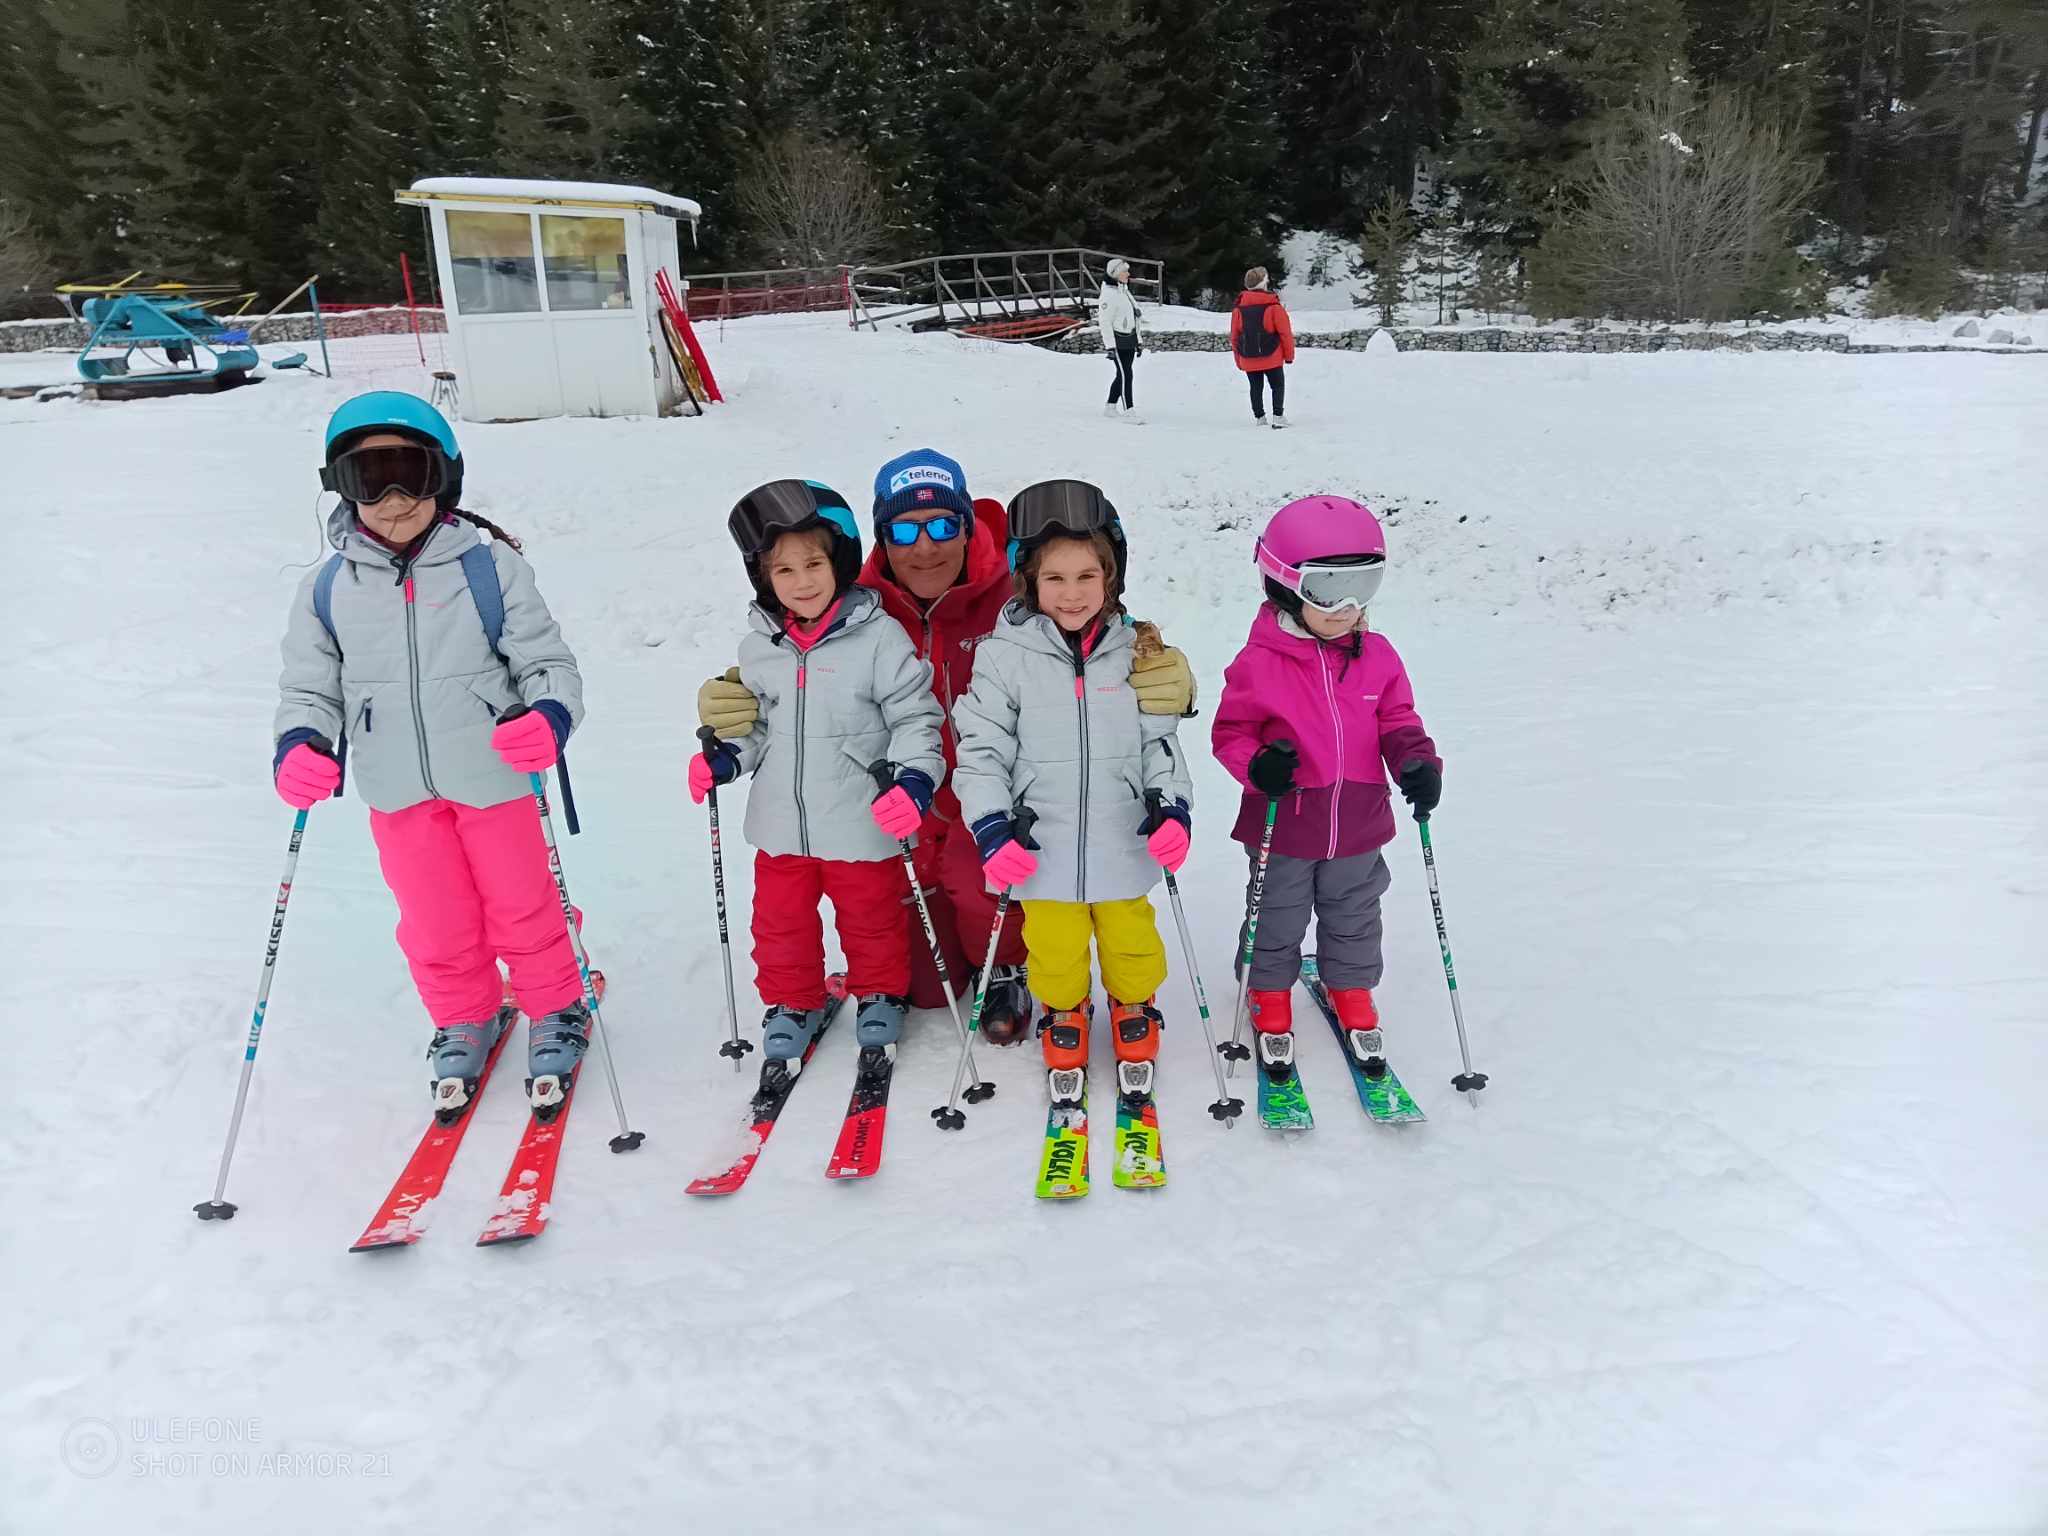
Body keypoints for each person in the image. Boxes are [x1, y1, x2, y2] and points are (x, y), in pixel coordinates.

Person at [694, 449, 1199, 1046]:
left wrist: (1165, 674)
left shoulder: (1016, 595)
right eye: (905, 530)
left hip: (992, 801)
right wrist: (739, 710)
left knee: (990, 877)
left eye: (942, 526)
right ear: (881, 538)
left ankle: (1008, 963)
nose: (925, 546)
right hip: (887, 807)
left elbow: (1091, 624)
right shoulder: (851, 603)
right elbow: (794, 666)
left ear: (967, 526)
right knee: (926, 987)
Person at [273, 391, 592, 1118]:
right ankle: (464, 1015)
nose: (390, 500)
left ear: (442, 477)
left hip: (494, 777)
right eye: (366, 479)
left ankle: (555, 1006)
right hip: (396, 790)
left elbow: (547, 662)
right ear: (340, 488)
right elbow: (309, 686)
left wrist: (548, 715)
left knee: (522, 905)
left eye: (408, 474)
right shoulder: (326, 589)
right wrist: (301, 741)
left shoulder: (489, 568)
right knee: (434, 918)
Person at [689, 480, 946, 1089]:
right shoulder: (762, 648)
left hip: (860, 819)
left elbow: (916, 716)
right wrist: (728, 757)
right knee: (778, 923)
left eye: (813, 564)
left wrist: (912, 782)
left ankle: (881, 993)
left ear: (839, 562)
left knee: (872, 917)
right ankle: (791, 1001)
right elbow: (759, 728)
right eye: (784, 570)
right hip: (782, 825)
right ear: (763, 577)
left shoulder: (879, 639)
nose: (802, 581)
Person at [951, 480, 1193, 1109]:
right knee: (1052, 947)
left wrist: (1172, 806)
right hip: (1041, 847)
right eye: (1054, 577)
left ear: (1111, 576)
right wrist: (991, 827)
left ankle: (1132, 1001)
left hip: (1122, 839)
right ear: (1027, 579)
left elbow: (1159, 742)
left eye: (1088, 575)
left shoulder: (1136, 651)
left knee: (1132, 940)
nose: (1073, 592)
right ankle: (1066, 1008)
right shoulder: (1004, 658)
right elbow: (980, 751)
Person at [1208, 495, 1442, 1080]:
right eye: (1328, 587)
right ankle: (1269, 994)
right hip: (1284, 823)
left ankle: (1353, 991)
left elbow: (1398, 720)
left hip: (1360, 821)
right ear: (1286, 586)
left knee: (1356, 914)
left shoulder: (1379, 656)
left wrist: (1415, 761)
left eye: (1363, 585)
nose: (1347, 606)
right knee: (1276, 913)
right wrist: (1258, 765)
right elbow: (1230, 731)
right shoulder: (1259, 663)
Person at [1230, 265, 1295, 428]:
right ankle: (1278, 416)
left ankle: (1260, 418)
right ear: (1264, 282)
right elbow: (1285, 333)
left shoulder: (1239, 308)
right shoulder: (1274, 307)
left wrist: (1238, 359)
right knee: (1277, 385)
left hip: (1248, 356)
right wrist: (1289, 356)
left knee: (1255, 387)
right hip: (1272, 356)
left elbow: (1235, 336)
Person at [1098, 257, 1144, 424]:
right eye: (1125, 271)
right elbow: (1104, 322)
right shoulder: (1108, 295)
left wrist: (1138, 341)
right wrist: (1110, 346)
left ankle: (1110, 406)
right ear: (1116, 274)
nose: (1128, 274)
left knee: (1123, 374)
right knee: (1127, 375)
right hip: (1117, 341)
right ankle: (1129, 410)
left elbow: (1135, 316)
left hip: (1129, 339)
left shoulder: (1123, 291)